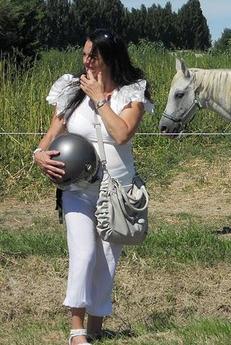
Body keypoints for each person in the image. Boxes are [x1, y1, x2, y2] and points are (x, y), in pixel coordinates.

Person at [33, 28, 153, 345]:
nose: (86, 61)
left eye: (93, 56)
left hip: (116, 193)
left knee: (107, 260)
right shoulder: (71, 90)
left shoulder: (131, 93)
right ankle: (76, 331)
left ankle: (96, 326)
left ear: (110, 59)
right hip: (77, 190)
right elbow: (52, 133)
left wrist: (100, 101)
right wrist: (39, 155)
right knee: (84, 254)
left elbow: (123, 134)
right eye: (84, 54)